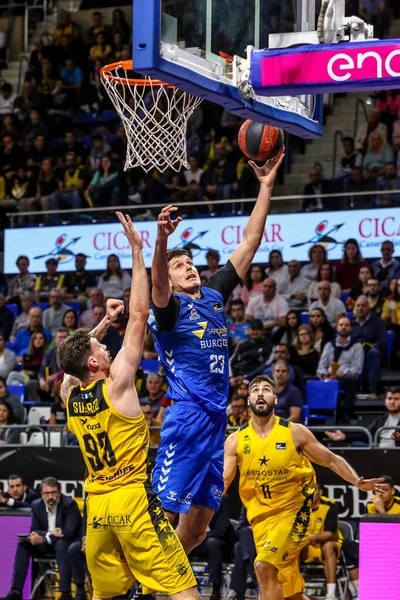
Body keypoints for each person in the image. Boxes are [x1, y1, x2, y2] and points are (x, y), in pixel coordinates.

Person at [148, 149, 285, 551]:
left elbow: (250, 241)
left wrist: (266, 186)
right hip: (188, 419)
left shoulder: (212, 295)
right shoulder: (169, 308)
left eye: (190, 262)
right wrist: (161, 241)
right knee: (164, 513)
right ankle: (134, 585)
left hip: (216, 421)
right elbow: (156, 282)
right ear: (170, 280)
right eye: (180, 266)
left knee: (196, 530)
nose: (189, 267)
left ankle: (157, 589)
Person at [58, 212, 198, 600]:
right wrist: (137, 250)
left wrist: (102, 323)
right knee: (183, 590)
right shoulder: (117, 383)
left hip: (97, 510)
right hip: (132, 499)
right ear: (95, 363)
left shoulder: (70, 396)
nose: (106, 347)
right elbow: (139, 315)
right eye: (101, 348)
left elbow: (69, 365)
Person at [223, 375, 384, 600]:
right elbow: (223, 481)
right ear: (249, 399)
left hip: (293, 515)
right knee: (290, 594)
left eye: (266, 390)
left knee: (263, 567)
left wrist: (357, 481)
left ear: (275, 399)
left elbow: (331, 459)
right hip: (261, 521)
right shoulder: (236, 440)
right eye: (255, 390)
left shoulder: (293, 432)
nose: (260, 393)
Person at [1, 476, 81, 600]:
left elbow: (69, 532)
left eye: (53, 493)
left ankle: (65, 593)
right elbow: (35, 529)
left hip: (64, 545)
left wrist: (44, 537)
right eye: (47, 493)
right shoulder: (36, 505)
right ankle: (16, 591)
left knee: (61, 544)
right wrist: (44, 536)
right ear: (42, 494)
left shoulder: (69, 504)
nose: (50, 497)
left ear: (59, 492)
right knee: (24, 545)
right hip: (45, 545)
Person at [300, 482, 344, 600]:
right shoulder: (298, 506)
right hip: (307, 546)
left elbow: (329, 534)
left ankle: (331, 594)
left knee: (328, 546)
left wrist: (313, 538)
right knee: (292, 547)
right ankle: (295, 592)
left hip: (327, 544)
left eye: (313, 491)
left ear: (320, 492)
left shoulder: (330, 505)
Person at [317, 317, 364, 422]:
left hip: (346, 378)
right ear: (337, 327)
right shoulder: (329, 345)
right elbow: (321, 366)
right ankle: (323, 416)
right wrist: (325, 376)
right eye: (341, 325)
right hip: (329, 378)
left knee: (350, 379)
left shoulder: (356, 346)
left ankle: (347, 412)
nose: (343, 327)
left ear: (351, 328)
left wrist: (340, 375)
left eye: (346, 325)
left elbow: (356, 368)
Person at [190, 494, 236, 600]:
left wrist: (199, 536)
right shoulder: (189, 497)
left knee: (212, 544)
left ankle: (215, 591)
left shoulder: (222, 498)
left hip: (219, 543)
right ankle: (182, 587)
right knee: (181, 544)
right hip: (198, 542)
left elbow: (221, 531)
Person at [325, 388, 400, 448]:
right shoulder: (381, 419)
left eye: (396, 399)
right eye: (389, 398)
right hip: (379, 452)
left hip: (395, 453)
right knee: (356, 445)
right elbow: (366, 435)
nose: (392, 402)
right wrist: (344, 436)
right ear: (385, 401)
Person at [351, 296, 387, 400]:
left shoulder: (378, 322)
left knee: (373, 353)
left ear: (369, 308)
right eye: (358, 306)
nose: (360, 308)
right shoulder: (352, 323)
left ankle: (372, 390)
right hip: (355, 353)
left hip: (372, 353)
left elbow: (382, 342)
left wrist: (369, 347)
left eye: (363, 305)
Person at [229, 320, 272, 384]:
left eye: (258, 329)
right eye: (253, 329)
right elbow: (230, 362)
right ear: (249, 331)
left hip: (257, 378)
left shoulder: (268, 346)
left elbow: (266, 365)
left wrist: (246, 377)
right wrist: (231, 377)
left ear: (263, 331)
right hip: (238, 378)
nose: (255, 332)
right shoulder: (242, 345)